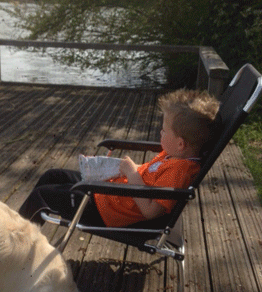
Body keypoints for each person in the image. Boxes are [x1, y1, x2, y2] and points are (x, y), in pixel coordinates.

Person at [18, 89, 220, 227]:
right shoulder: (173, 155)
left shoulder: (178, 171)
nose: (160, 132)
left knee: (42, 196)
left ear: (181, 144)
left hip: (104, 210)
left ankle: (16, 245)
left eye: (164, 130)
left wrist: (132, 173)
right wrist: (128, 170)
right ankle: (23, 237)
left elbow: (150, 211)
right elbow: (151, 177)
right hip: (108, 193)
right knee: (52, 175)